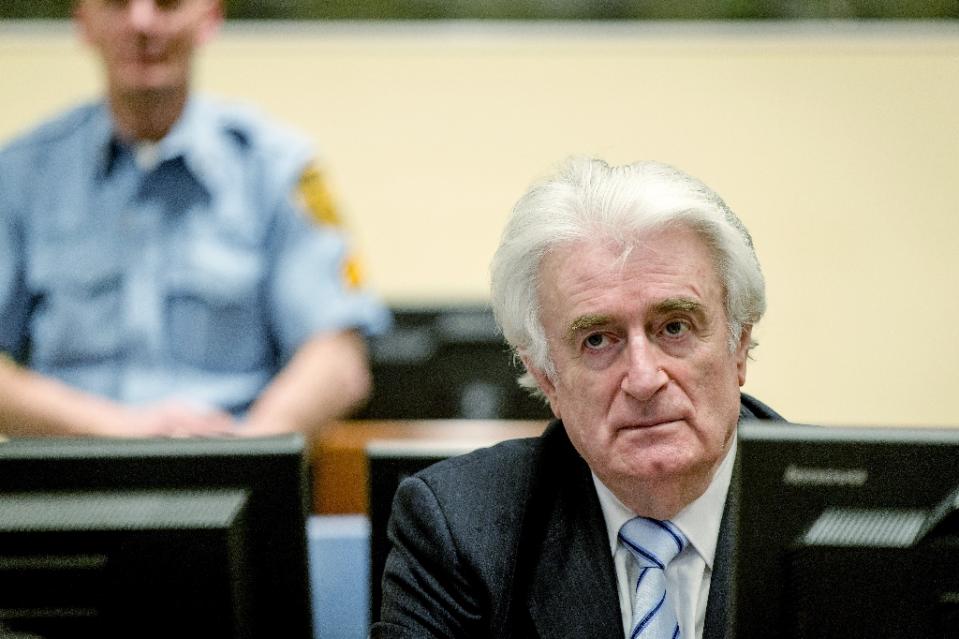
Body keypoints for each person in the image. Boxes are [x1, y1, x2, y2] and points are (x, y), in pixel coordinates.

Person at [372, 157, 783, 639]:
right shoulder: (462, 528)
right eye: (597, 340)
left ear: (738, 346)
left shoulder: (839, 511)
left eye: (675, 327)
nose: (644, 379)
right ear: (546, 377)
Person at [0, 0, 390, 438]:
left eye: (168, 3)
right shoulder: (19, 175)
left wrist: (244, 457)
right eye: (116, 3)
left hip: (238, 476)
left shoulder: (277, 169)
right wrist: (119, 432)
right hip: (67, 486)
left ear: (210, 17)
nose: (142, 22)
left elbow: (338, 360)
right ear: (82, 20)